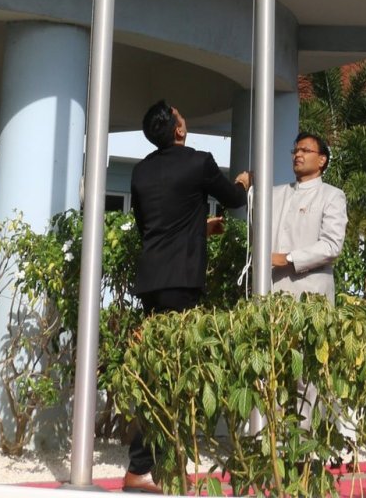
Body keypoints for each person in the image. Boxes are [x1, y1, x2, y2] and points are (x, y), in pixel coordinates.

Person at [124, 99, 251, 494]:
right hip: (183, 280)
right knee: (175, 371)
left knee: (155, 369)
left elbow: (150, 224)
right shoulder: (199, 161)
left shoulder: (141, 170)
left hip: (151, 279)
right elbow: (233, 199)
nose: (185, 119)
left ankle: (147, 467)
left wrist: (198, 227)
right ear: (178, 130)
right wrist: (245, 180)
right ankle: (144, 467)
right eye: (182, 116)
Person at [270, 131, 347, 298]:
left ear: (322, 160)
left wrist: (288, 258)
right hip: (272, 291)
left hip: (311, 295)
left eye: (305, 150)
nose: (298, 154)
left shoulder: (332, 195)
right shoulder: (275, 194)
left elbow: (331, 245)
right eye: (295, 151)